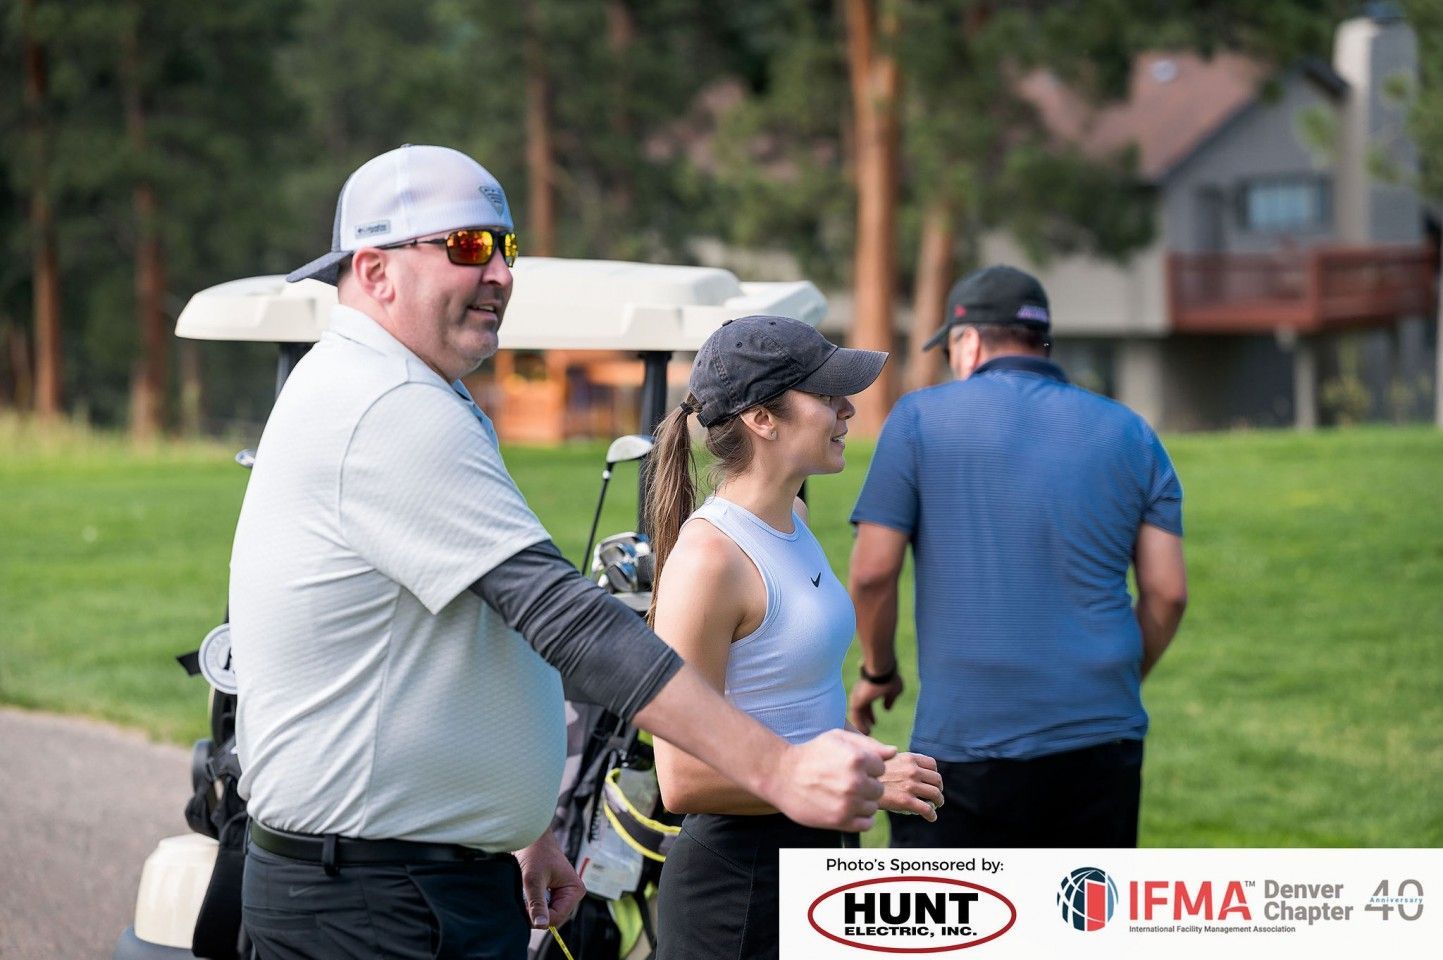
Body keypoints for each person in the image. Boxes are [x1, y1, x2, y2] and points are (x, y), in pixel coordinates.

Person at [229, 145, 896, 960]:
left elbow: (480, 637)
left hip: (414, 878)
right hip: (376, 901)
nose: (501, 272)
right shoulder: (386, 405)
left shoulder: (415, 394)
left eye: (507, 248)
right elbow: (563, 617)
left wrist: (513, 824)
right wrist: (781, 773)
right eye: (468, 247)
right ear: (373, 271)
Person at [847, 265, 1188, 849]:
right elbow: (1168, 592)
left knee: (954, 938)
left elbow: (873, 572)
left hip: (966, 747)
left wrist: (879, 670)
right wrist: (1116, 681)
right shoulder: (1131, 432)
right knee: (1079, 927)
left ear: (969, 340)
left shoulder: (918, 419)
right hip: (1102, 741)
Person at [644, 316, 944, 960]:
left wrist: (864, 757)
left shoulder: (793, 517)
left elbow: (790, 694)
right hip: (739, 891)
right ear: (762, 418)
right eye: (827, 394)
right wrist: (861, 780)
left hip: (817, 856)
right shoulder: (709, 560)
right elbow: (682, 778)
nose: (848, 409)